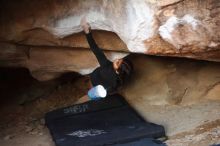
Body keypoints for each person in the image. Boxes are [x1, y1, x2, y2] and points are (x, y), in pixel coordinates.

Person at [76, 17, 133, 103]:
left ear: (117, 68)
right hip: (102, 88)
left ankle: (84, 99)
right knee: (92, 96)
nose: (117, 59)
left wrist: (87, 32)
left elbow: (95, 49)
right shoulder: (118, 81)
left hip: (97, 84)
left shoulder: (106, 65)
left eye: (118, 62)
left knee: (90, 96)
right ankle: (91, 97)